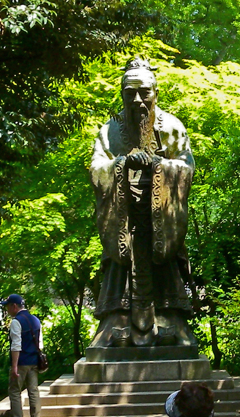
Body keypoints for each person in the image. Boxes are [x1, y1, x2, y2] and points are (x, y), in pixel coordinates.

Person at [88, 57, 197, 349]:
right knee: (119, 270)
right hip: (125, 219)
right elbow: (97, 168)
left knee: (165, 269)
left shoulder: (172, 126)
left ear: (155, 92)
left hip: (159, 217)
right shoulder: (109, 131)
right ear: (122, 94)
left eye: (144, 92)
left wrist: (159, 165)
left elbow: (186, 166)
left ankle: (171, 321)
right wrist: (121, 164)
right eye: (130, 92)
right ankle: (116, 323)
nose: (137, 99)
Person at [0, 294, 41, 417]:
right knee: (33, 391)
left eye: (7, 306)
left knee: (15, 391)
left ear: (14, 306)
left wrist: (14, 366)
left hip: (22, 362)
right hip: (34, 361)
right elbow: (39, 343)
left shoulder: (17, 322)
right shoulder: (35, 320)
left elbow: (16, 345)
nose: (7, 310)